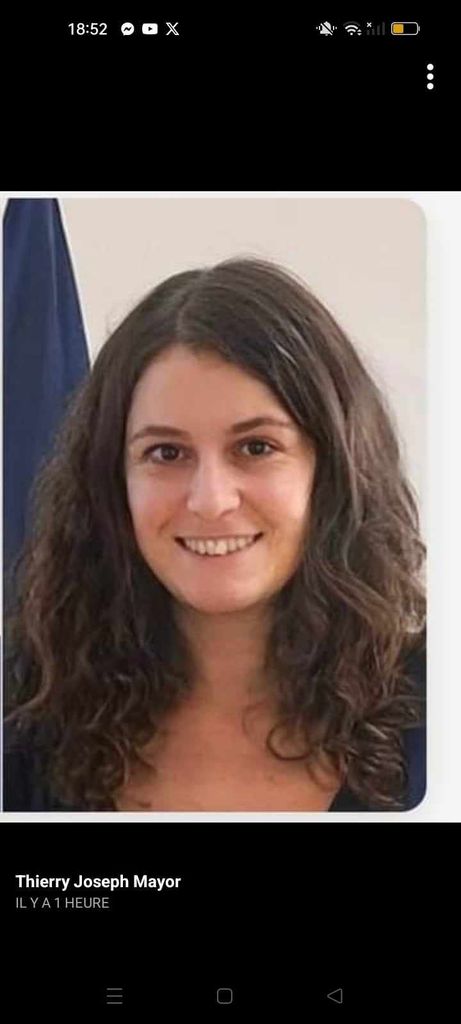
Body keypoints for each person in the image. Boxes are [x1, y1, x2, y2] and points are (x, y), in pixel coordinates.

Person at [3, 257, 426, 812]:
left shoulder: (442, 712)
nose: (210, 500)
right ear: (111, 481)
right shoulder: (26, 725)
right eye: (166, 453)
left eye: (256, 447)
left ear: (334, 469)